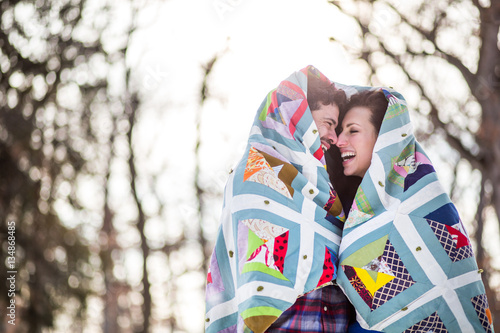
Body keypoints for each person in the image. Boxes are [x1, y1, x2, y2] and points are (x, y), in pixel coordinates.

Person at [328, 88, 493, 332]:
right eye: (340, 131)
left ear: (384, 138)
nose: (340, 140)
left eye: (353, 130)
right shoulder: (357, 210)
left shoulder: (423, 204)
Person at [205, 65, 352, 333]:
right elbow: (257, 263)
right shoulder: (251, 174)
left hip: (331, 322)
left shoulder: (327, 184)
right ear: (300, 118)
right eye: (328, 124)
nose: (334, 136)